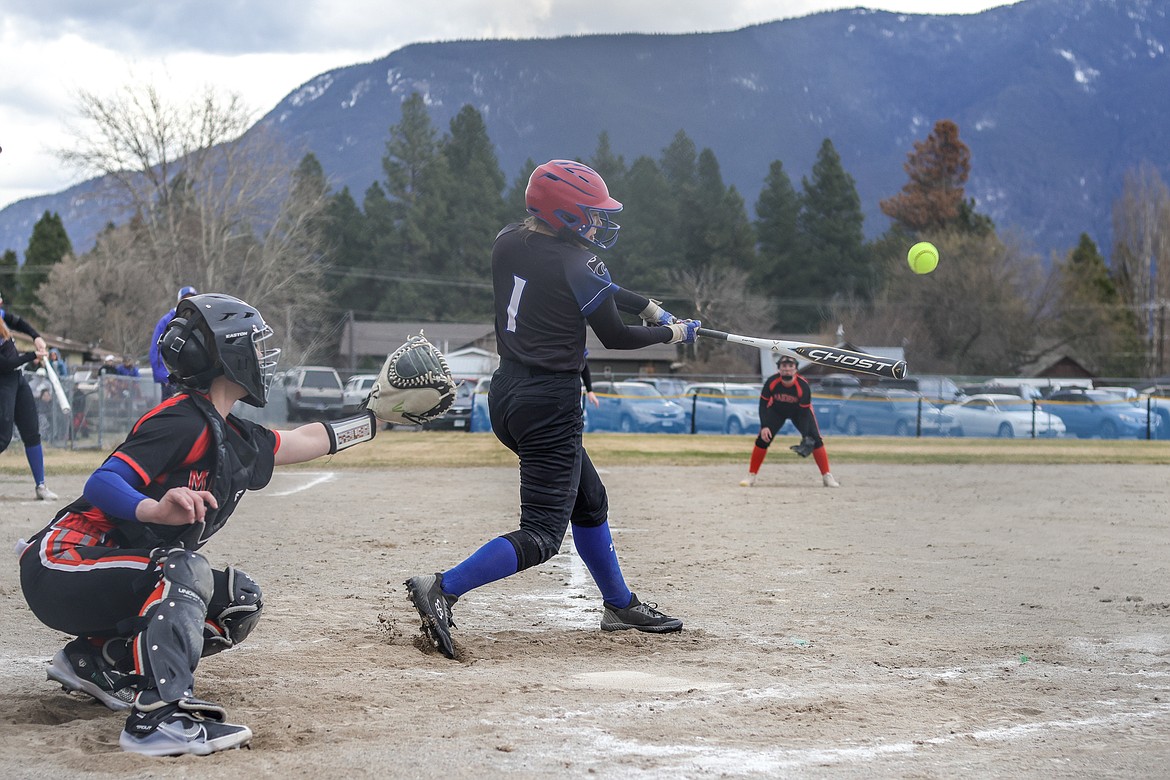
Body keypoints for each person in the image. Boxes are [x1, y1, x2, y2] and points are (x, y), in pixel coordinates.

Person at [18, 292, 380, 757]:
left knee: (237, 601)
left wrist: (374, 420)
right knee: (184, 569)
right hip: (63, 560)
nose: (263, 357)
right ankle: (158, 718)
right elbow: (103, 481)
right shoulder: (181, 420)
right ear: (229, 354)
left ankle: (96, 661)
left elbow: (306, 438)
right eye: (255, 345)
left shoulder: (231, 434)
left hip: (102, 571)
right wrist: (153, 509)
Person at [405, 159, 700, 659]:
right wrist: (674, 331)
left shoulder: (509, 241)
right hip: (550, 404)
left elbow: (600, 291)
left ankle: (619, 604)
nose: (597, 222)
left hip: (508, 393)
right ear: (564, 215)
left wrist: (649, 305)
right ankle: (442, 587)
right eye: (590, 213)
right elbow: (616, 334)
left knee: (589, 500)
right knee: (542, 535)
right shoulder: (579, 263)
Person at [739, 354, 839, 488]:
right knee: (763, 439)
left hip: (799, 412)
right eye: (783, 366)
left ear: (796, 369)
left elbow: (804, 413)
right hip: (777, 411)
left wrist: (805, 435)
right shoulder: (772, 382)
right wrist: (764, 426)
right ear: (778, 369)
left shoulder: (802, 386)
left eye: (790, 366)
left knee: (815, 439)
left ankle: (827, 476)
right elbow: (763, 405)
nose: (787, 369)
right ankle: (751, 475)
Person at [0, 288, 59, 500]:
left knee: (32, 431)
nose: (1, 301)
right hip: (3, 381)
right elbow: (5, 364)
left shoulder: (1, 315)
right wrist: (32, 355)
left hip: (17, 379)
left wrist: (36, 337)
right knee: (2, 438)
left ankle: (41, 486)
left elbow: (19, 321)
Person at [150, 286, 198, 400]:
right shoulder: (167, 320)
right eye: (185, 299)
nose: (189, 302)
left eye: (192, 299)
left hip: (193, 380)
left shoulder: (198, 320)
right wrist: (164, 376)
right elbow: (156, 349)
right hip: (172, 380)